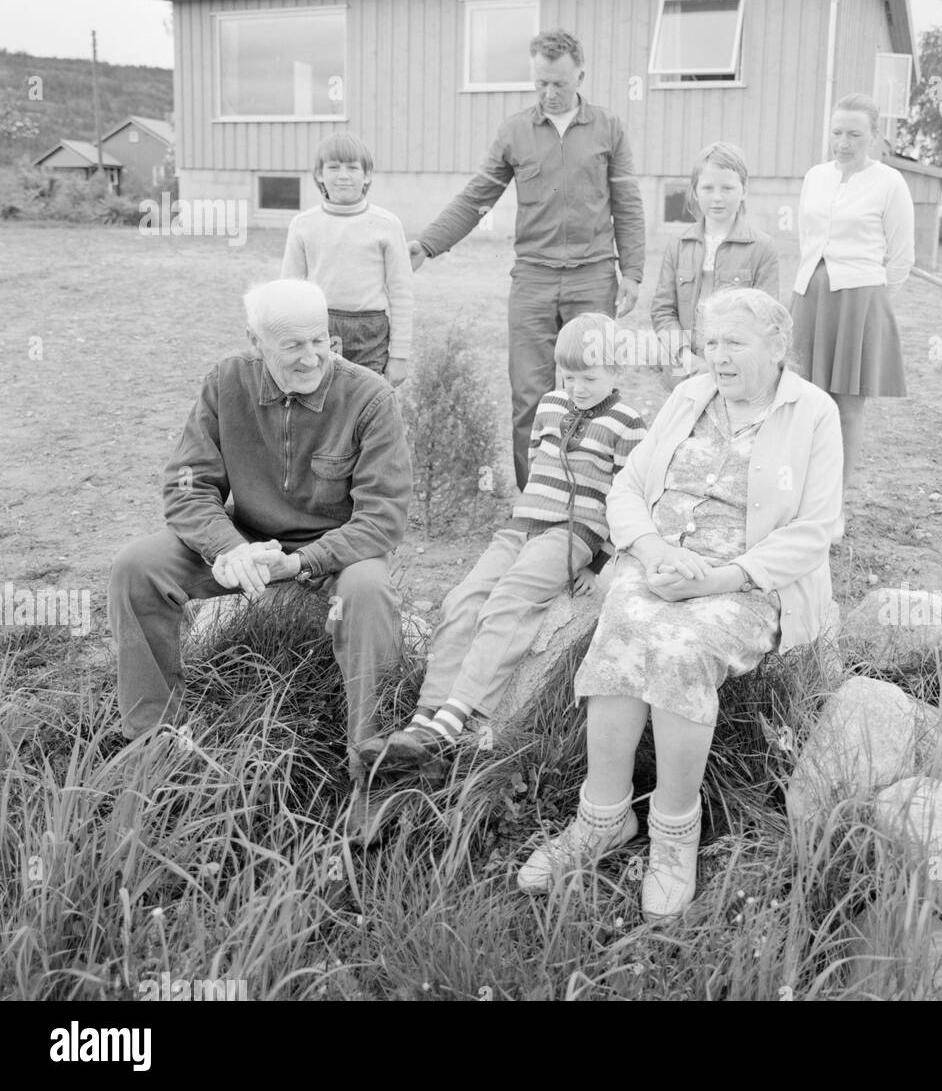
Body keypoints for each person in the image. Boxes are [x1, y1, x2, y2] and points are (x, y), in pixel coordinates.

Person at [516, 290, 842, 920]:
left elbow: (816, 529)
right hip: (663, 564)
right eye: (711, 341)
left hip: (747, 582)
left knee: (681, 645)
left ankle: (673, 833)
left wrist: (717, 578)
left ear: (778, 346)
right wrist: (649, 548)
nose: (717, 356)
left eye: (735, 343)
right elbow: (630, 486)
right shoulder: (690, 395)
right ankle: (602, 817)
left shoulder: (813, 413)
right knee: (623, 625)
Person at [107, 279, 413, 784]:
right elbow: (187, 486)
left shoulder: (370, 397)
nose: (312, 358)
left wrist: (301, 562)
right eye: (292, 346)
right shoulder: (226, 381)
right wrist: (231, 549)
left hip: (334, 555)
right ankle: (152, 742)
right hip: (245, 544)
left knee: (369, 589)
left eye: (320, 341)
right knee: (136, 567)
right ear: (256, 343)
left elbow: (382, 519)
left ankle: (373, 765)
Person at [359, 314, 647, 773]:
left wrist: (600, 562)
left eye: (589, 378)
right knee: (464, 599)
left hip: (574, 532)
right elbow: (534, 464)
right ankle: (423, 719)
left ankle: (457, 717)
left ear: (618, 372)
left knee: (508, 604)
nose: (576, 387)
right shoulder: (551, 405)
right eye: (568, 376)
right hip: (523, 523)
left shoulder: (628, 423)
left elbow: (629, 494)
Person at [409, 29, 646, 490]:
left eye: (559, 83)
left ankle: (595, 493)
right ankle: (534, 496)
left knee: (594, 387)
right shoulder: (515, 131)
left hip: (593, 276)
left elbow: (628, 202)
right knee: (530, 395)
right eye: (540, 83)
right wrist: (430, 243)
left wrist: (632, 272)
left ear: (580, 74)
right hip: (533, 279)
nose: (549, 93)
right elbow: (479, 196)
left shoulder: (608, 128)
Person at [789, 93, 914, 499]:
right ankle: (797, 491)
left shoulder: (889, 183)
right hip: (810, 297)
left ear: (875, 136)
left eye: (855, 134)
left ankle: (833, 501)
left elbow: (900, 257)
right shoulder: (816, 176)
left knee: (846, 407)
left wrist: (868, 301)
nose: (843, 143)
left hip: (859, 300)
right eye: (837, 132)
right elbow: (806, 238)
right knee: (801, 399)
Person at [281, 132, 414, 386]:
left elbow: (401, 292)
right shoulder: (303, 224)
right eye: (333, 167)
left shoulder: (387, 224)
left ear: (367, 176)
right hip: (318, 329)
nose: (343, 175)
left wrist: (399, 356)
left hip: (371, 333)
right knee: (321, 404)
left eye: (352, 168)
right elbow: (290, 290)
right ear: (320, 174)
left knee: (367, 407)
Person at [650, 142, 780, 389]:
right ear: (695, 191)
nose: (717, 197)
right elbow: (662, 311)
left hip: (736, 371)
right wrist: (685, 356)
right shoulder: (678, 246)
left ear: (744, 190)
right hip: (685, 371)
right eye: (708, 188)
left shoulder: (762, 248)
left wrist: (724, 358)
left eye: (728, 188)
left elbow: (764, 316)